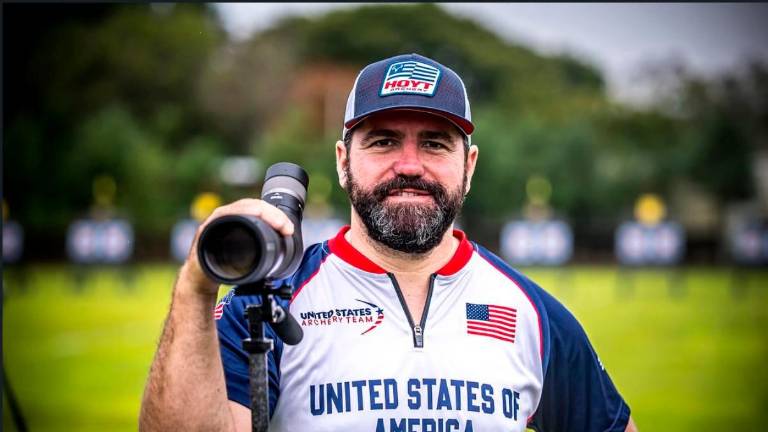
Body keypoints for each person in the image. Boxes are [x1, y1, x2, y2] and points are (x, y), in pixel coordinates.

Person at [139, 53, 638, 432]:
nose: (409, 165)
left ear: (469, 166)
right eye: (382, 141)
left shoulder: (533, 313)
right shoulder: (267, 303)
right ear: (341, 160)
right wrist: (196, 286)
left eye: (435, 143)